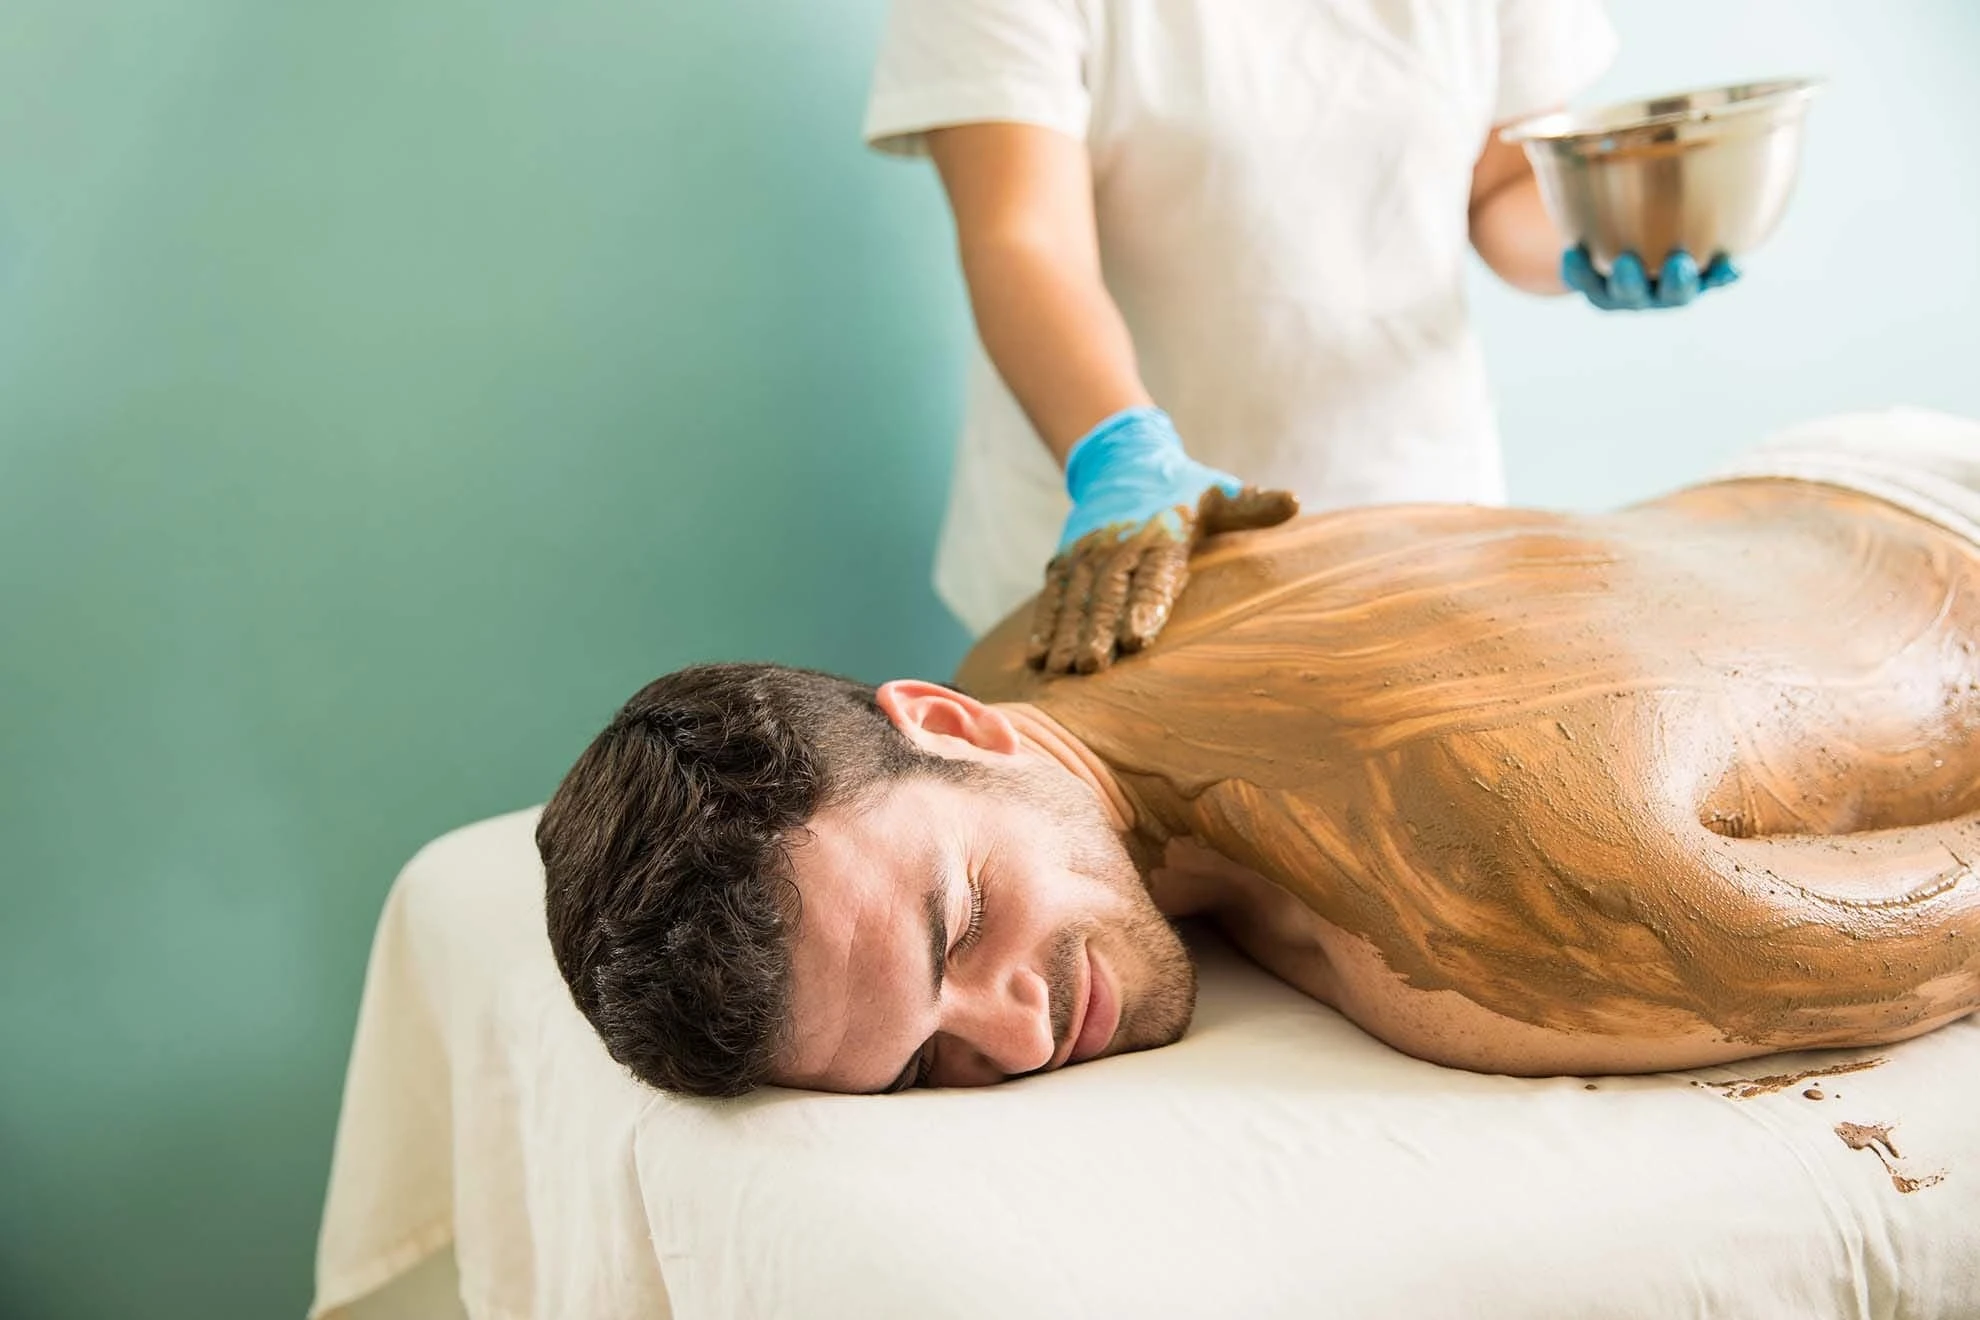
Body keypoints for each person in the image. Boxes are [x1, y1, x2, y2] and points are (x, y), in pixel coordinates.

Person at [537, 410, 1980, 1098]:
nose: (1020, 1033)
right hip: (1812, 467)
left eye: (960, 922)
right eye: (928, 1067)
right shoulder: (1032, 641)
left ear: (955, 729)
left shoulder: (1499, 909)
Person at [863, 0, 1739, 670]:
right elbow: (1023, 236)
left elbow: (1501, 187)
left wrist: (1598, 239)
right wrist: (1119, 450)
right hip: (1121, 545)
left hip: (1414, 516)